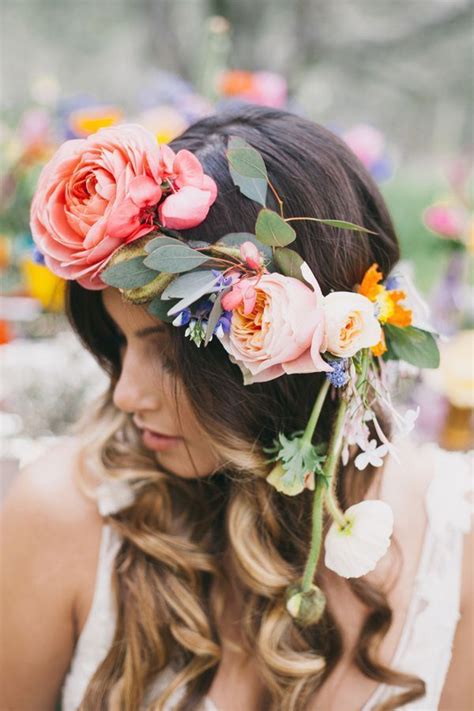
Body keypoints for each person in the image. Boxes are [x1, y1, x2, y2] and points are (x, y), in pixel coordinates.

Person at [1, 105, 472, 711]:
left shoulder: (453, 544)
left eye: (172, 356)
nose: (124, 395)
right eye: (119, 346)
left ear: (304, 358)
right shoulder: (65, 516)